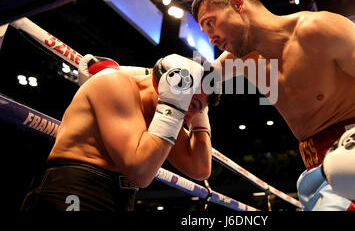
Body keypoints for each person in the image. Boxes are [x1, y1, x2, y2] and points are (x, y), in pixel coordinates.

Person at [191, 0, 355, 211]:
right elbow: (191, 81)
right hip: (314, 176)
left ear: (238, 3)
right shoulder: (241, 60)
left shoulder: (317, 31)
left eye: (210, 23)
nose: (210, 39)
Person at [20, 54, 219, 211]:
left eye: (197, 110)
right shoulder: (114, 83)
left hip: (121, 198)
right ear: (170, 84)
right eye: (190, 105)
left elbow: (200, 168)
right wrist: (179, 104)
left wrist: (201, 111)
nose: (188, 117)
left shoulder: (163, 115)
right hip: (74, 190)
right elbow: (140, 173)